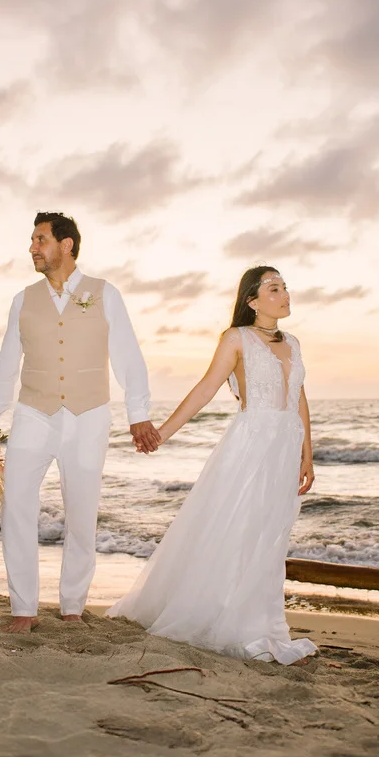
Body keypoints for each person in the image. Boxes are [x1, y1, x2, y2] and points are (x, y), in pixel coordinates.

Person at [108, 266, 317, 664]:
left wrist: (308, 452)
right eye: (275, 288)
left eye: (285, 287)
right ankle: (242, 626)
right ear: (252, 301)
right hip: (252, 444)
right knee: (241, 531)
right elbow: (205, 389)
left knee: (271, 538)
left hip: (286, 447)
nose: (285, 294)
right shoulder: (235, 339)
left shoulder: (293, 342)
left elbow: (300, 398)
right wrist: (162, 433)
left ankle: (269, 625)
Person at [0, 212, 160, 633]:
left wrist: (139, 415)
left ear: (67, 245)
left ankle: (72, 606)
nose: (32, 248)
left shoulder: (104, 293)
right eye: (32, 240)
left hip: (89, 415)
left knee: (81, 512)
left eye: (40, 240)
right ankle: (23, 607)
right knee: (17, 507)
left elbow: (128, 357)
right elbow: (6, 364)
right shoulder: (23, 300)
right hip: (33, 414)